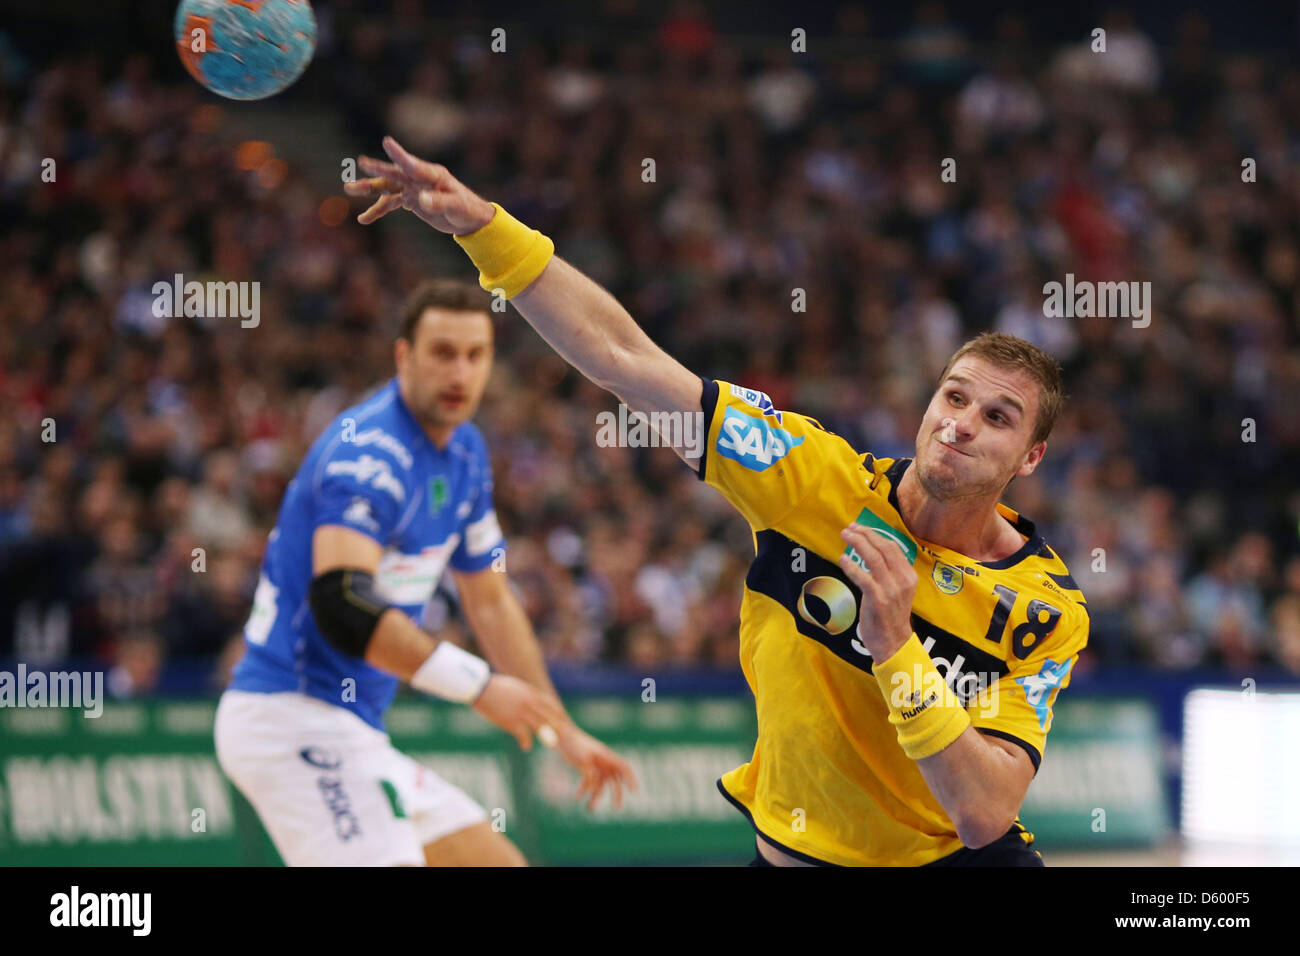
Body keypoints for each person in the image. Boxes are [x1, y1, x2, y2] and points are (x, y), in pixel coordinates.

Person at [345, 137, 1090, 867]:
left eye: (997, 417)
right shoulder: (811, 477)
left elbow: (986, 812)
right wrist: (484, 228)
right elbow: (627, 362)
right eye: (953, 397)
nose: (960, 425)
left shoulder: (1042, 608)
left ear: (1031, 457)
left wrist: (897, 648)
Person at [214, 278, 636, 867]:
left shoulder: (465, 454)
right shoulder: (367, 454)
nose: (460, 373)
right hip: (290, 718)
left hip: (355, 729)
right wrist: (480, 687)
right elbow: (342, 604)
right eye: (442, 353)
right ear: (403, 356)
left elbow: (489, 600)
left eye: (475, 355)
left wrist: (559, 728)